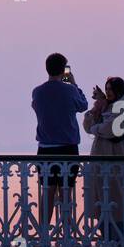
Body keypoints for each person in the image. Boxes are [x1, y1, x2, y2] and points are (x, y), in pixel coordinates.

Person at [30, 53, 90, 228]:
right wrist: (73, 83)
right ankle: (67, 231)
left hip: (45, 148)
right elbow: (83, 105)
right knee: (66, 191)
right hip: (68, 148)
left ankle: (43, 231)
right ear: (64, 70)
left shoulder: (37, 91)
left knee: (47, 191)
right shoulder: (70, 90)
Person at [84, 76, 124, 237]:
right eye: (107, 89)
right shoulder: (107, 106)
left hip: (114, 154)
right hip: (100, 154)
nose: (108, 92)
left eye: (111, 89)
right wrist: (97, 108)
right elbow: (87, 126)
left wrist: (95, 128)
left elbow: (111, 129)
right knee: (100, 194)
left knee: (115, 194)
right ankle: (105, 233)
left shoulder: (123, 106)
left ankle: (117, 234)